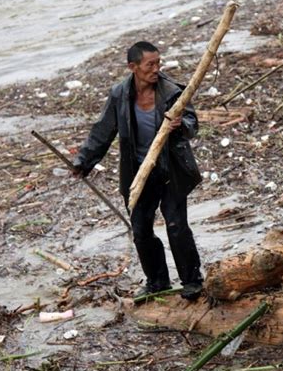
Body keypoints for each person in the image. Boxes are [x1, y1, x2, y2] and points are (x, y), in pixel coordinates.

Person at [73, 41, 204, 300]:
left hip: (171, 171)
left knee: (177, 226)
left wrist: (180, 125)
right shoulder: (120, 95)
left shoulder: (172, 92)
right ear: (133, 67)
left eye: (158, 63)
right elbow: (103, 131)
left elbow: (192, 124)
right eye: (150, 65)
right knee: (141, 230)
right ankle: (157, 282)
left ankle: (192, 280)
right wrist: (83, 161)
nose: (156, 69)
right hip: (137, 174)